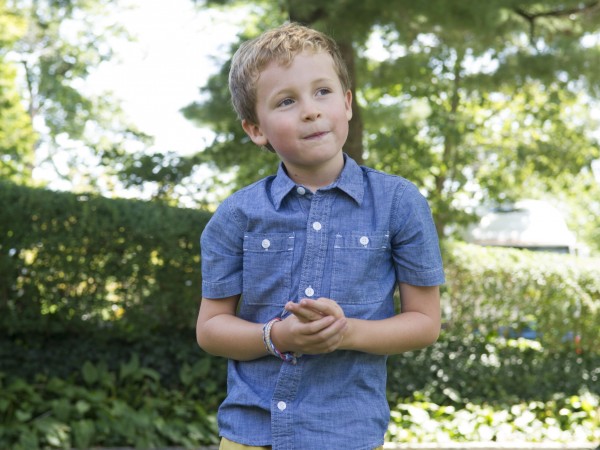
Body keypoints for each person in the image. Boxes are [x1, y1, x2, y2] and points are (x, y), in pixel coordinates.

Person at [196, 22, 445, 450]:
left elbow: (425, 322)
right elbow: (211, 328)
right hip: (250, 434)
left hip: (348, 434)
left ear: (347, 104)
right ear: (256, 129)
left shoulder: (399, 204)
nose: (310, 110)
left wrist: (345, 333)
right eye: (286, 101)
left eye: (323, 92)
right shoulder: (236, 215)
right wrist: (277, 337)